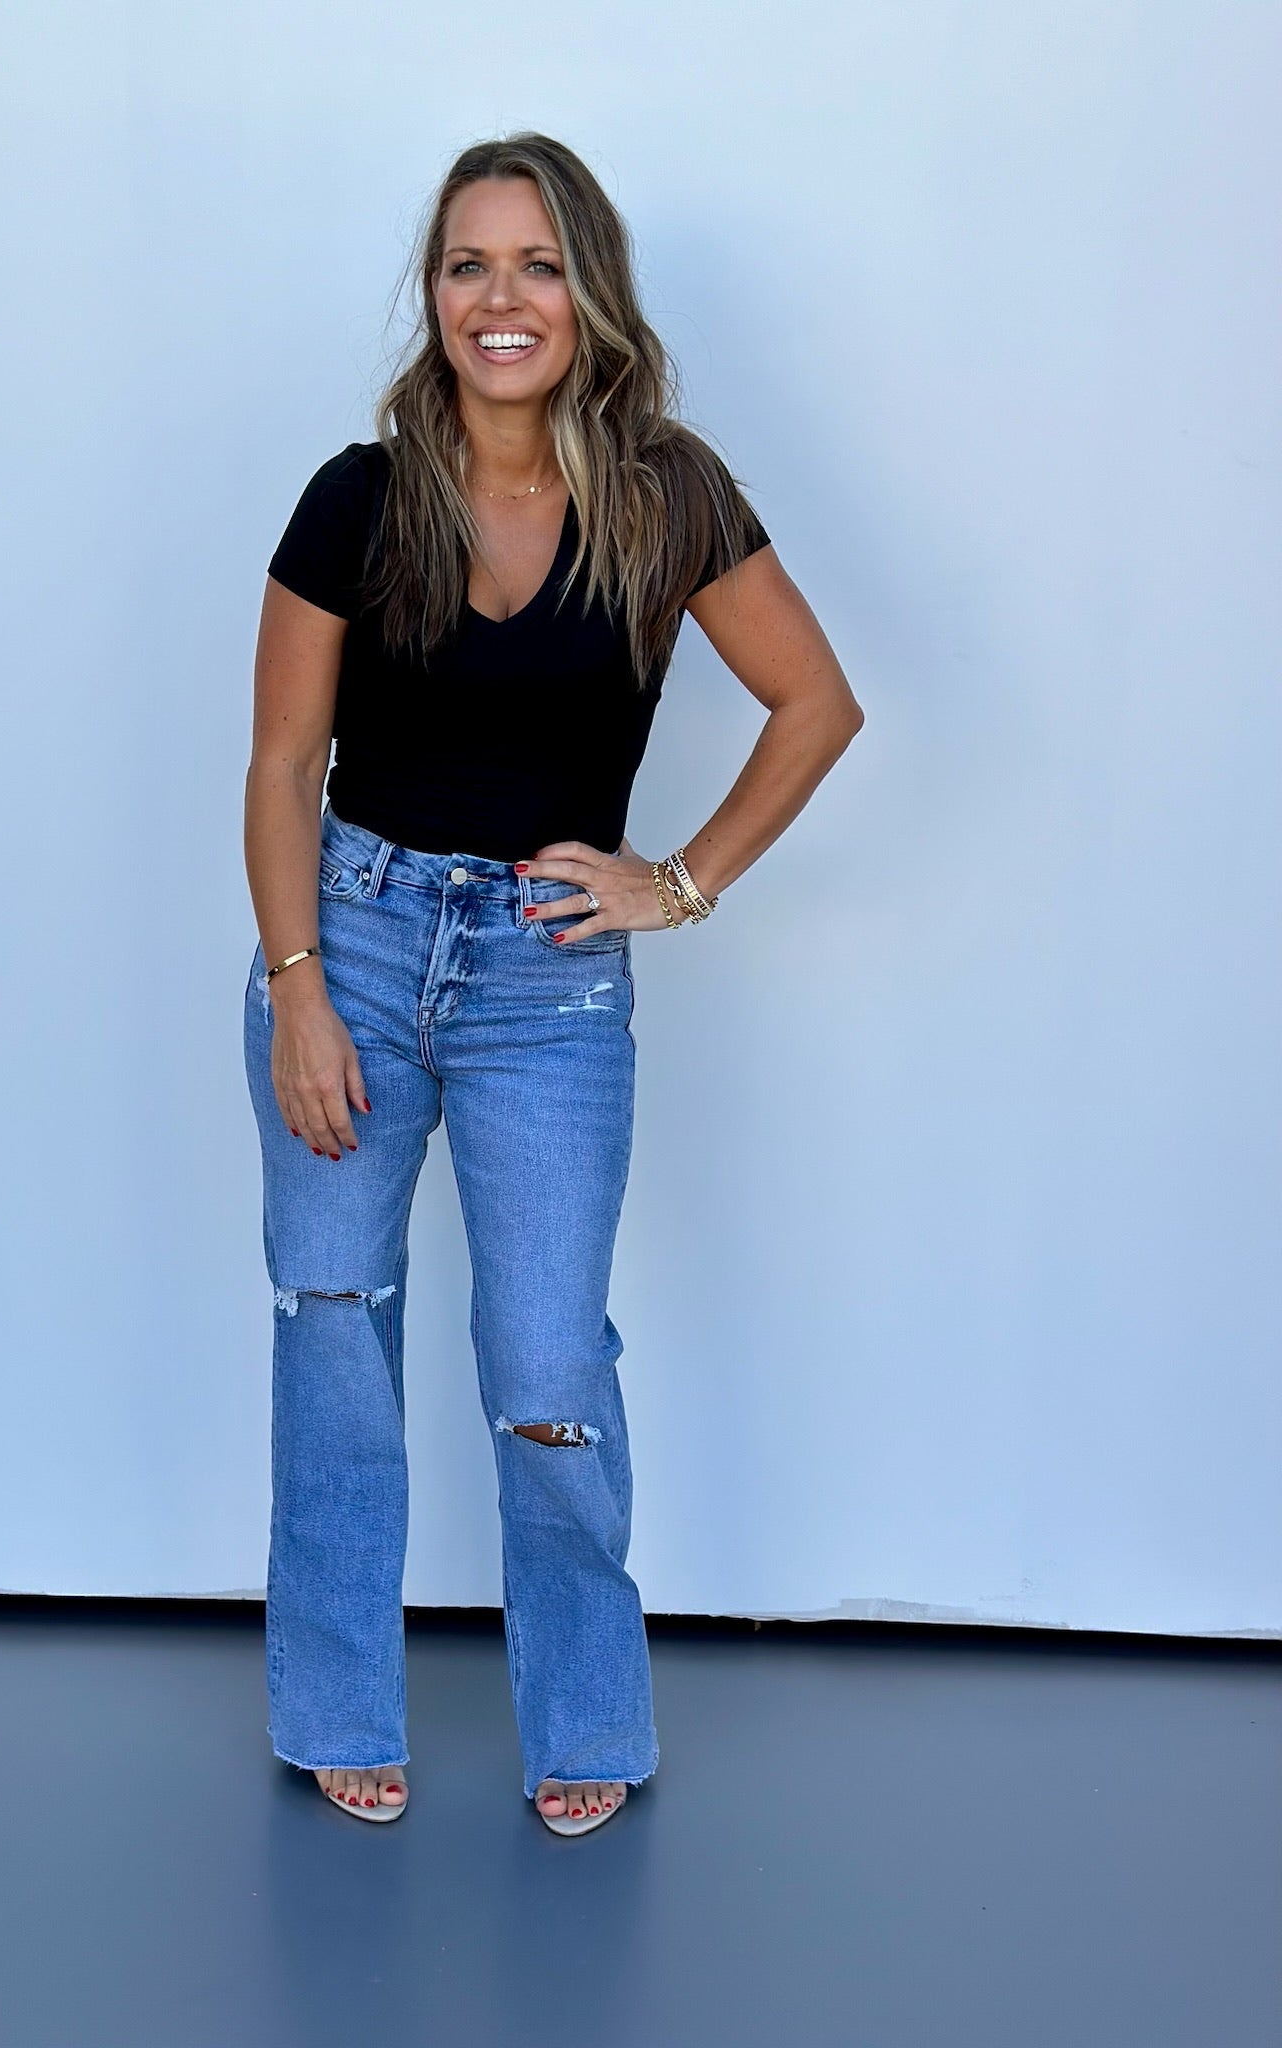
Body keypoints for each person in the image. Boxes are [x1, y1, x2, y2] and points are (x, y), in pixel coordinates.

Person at [242, 132, 863, 1837]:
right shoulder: (358, 498)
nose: (499, 299)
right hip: (354, 942)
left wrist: (679, 882)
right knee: (332, 1326)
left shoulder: (669, 495)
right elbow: (284, 763)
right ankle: (336, 1704)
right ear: (433, 294)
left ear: (590, 293)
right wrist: (299, 988)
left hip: (548, 980)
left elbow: (816, 703)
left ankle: (585, 1713)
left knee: (546, 1367)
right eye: (468, 265)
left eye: (536, 265)